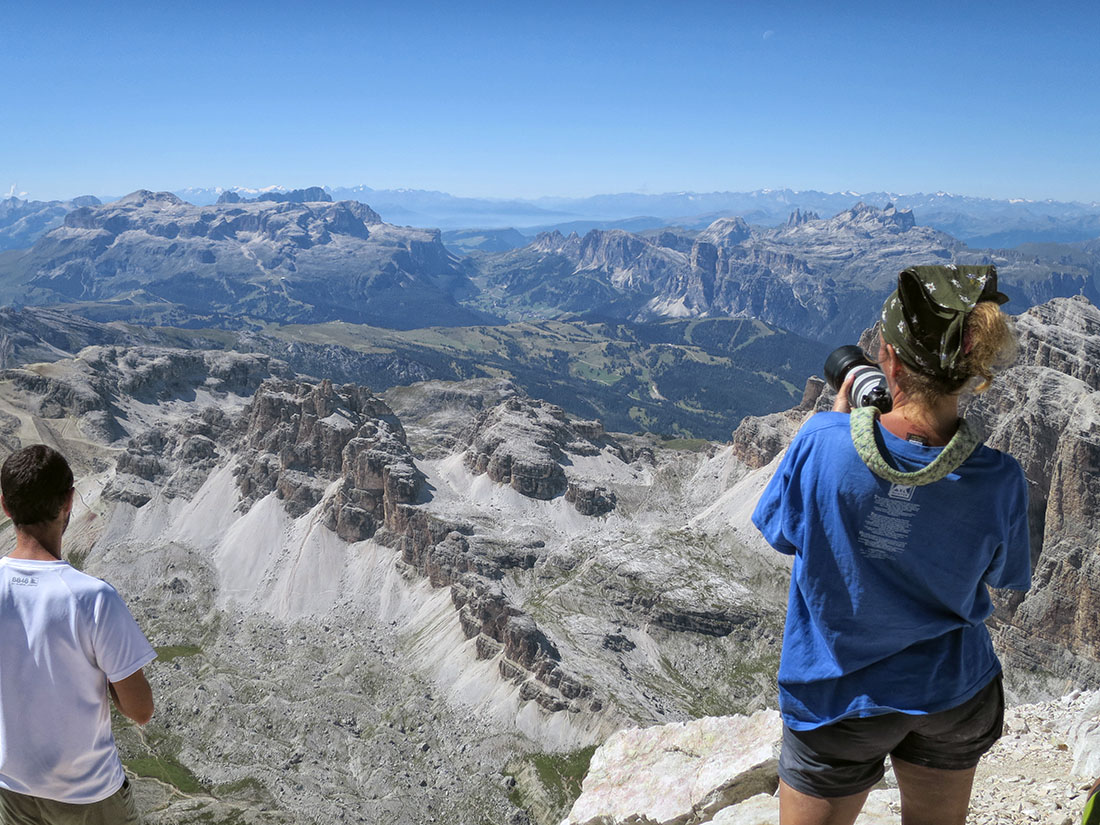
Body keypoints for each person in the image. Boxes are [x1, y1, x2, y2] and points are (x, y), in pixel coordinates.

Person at [752, 265, 1031, 825]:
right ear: (971, 374)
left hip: (836, 697)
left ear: (892, 362)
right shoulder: (1001, 478)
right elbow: (1007, 576)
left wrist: (840, 416)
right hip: (954, 692)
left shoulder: (821, 442)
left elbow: (782, 531)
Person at [0, 444, 156, 825]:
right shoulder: (93, 598)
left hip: (12, 788)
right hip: (88, 795)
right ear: (69, 501)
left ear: (5, 506)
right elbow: (141, 711)